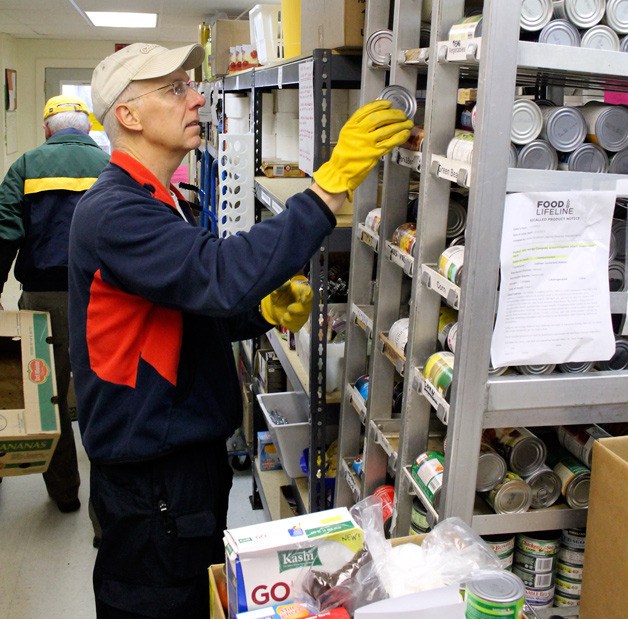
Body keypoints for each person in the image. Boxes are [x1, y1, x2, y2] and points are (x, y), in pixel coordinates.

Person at [68, 41, 412, 618]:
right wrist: (326, 190)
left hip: (177, 472)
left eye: (190, 84)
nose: (197, 96)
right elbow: (220, 275)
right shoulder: (115, 212)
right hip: (153, 481)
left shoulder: (153, 197)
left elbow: (184, 310)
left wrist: (260, 314)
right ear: (128, 115)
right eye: (175, 88)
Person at [0, 95, 109, 509]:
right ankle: (106, 516)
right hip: (103, 299)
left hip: (42, 299)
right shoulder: (109, 166)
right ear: (86, 129)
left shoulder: (25, 166)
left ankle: (64, 494)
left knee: (49, 396)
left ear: (47, 130)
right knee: (103, 394)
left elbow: (4, 231)